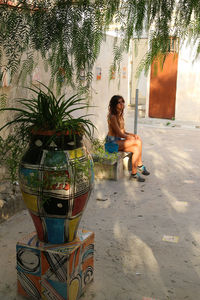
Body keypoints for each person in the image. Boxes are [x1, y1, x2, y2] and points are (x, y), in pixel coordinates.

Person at [106, 95, 150, 182]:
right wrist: (130, 138)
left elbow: (123, 132)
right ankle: (140, 166)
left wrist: (133, 135)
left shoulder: (120, 116)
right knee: (137, 142)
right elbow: (119, 134)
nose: (122, 104)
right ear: (114, 104)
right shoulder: (113, 117)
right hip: (111, 144)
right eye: (119, 102)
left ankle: (134, 174)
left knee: (136, 147)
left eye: (123, 102)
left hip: (119, 141)